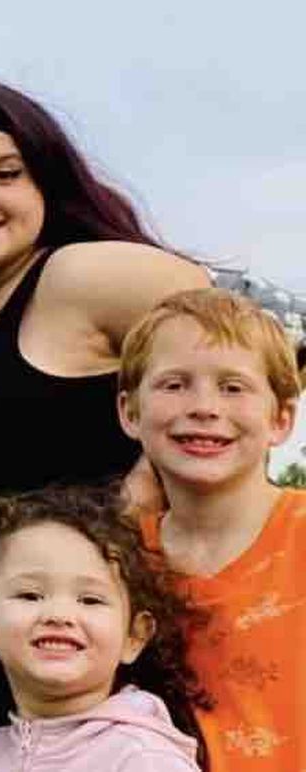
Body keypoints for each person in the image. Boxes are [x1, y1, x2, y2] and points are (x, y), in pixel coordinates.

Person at [0, 79, 209, 528]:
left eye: (7, 174)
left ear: (45, 184)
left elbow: (255, 344)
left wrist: (141, 495)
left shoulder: (76, 276)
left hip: (118, 569)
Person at [119, 288, 305, 770]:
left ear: (281, 419)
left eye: (233, 387)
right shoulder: (114, 560)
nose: (204, 406)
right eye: (174, 384)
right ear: (130, 412)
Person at [0, 486, 208, 771]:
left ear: (134, 636)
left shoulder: (144, 759)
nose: (59, 615)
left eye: (90, 600)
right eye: (30, 595)